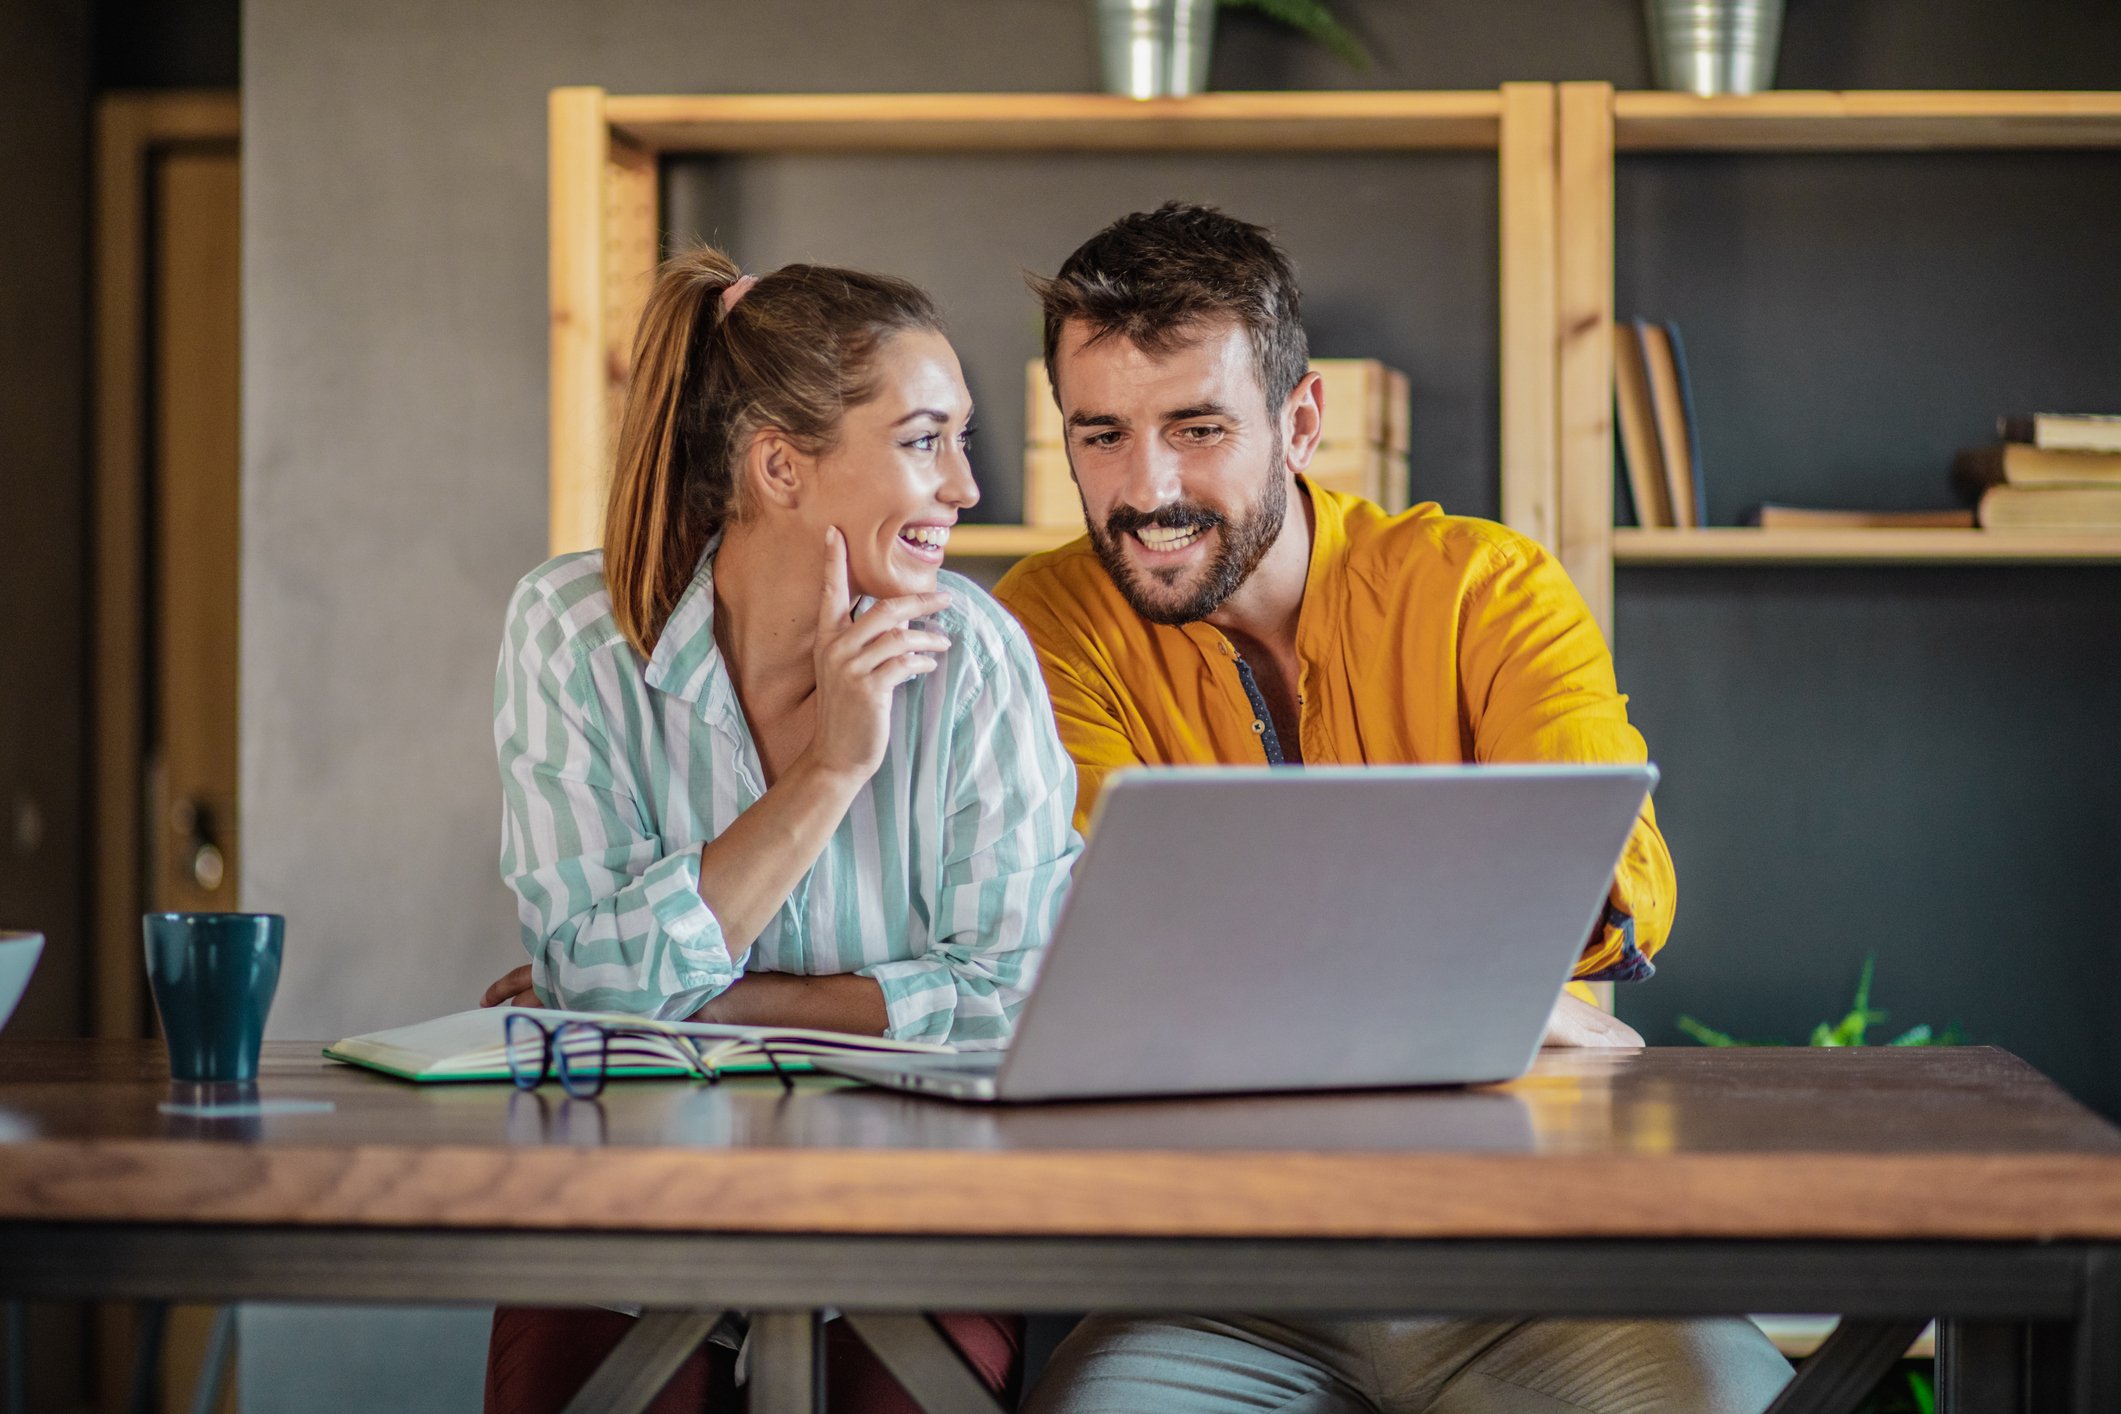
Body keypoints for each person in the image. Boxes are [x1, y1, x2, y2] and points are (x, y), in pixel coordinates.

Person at [995, 203, 1793, 1412]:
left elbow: (1619, 879)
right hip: (1217, 1274)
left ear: (1301, 421)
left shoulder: (1489, 585)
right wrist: (1477, 1001)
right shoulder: (1046, 621)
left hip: (1534, 1254)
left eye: (1198, 428)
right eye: (1100, 435)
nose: (1144, 488)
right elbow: (1115, 933)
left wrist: (1263, 980)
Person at [478, 247, 1080, 1413]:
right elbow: (596, 981)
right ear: (781, 467)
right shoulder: (573, 631)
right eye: (924, 441)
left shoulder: (978, 657)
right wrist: (831, 770)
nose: (967, 487)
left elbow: (1021, 993)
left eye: (962, 440)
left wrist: (700, 1008)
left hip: (917, 1214)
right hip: (625, 1204)